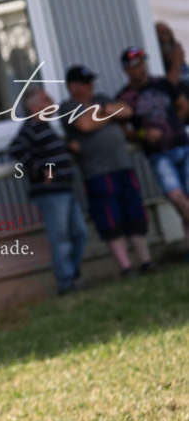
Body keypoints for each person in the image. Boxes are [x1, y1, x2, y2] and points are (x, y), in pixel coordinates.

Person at [61, 65, 155, 276]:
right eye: (86, 83)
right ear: (73, 86)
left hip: (123, 165)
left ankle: (146, 262)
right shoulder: (68, 106)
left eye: (91, 82)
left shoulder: (101, 98)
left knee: (135, 213)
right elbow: (85, 125)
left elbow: (127, 110)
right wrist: (107, 113)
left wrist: (100, 112)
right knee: (110, 218)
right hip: (98, 172)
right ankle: (126, 267)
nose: (91, 86)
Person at [10, 87, 88, 295]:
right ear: (35, 108)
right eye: (47, 100)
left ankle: (72, 275)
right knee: (60, 237)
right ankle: (66, 283)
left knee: (80, 233)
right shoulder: (31, 127)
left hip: (65, 188)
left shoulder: (46, 128)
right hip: (50, 193)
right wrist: (39, 170)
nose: (52, 102)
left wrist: (67, 148)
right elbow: (17, 149)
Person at [116, 45, 189, 255]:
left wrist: (173, 124)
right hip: (159, 153)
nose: (141, 68)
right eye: (135, 65)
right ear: (126, 70)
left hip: (182, 144)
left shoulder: (163, 84)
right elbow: (123, 131)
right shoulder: (124, 97)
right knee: (176, 196)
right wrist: (142, 135)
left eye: (142, 63)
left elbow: (183, 105)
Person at [155, 21, 189, 100]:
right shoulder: (157, 65)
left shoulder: (181, 63)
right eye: (156, 35)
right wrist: (176, 61)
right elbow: (167, 89)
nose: (161, 38)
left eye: (164, 33)